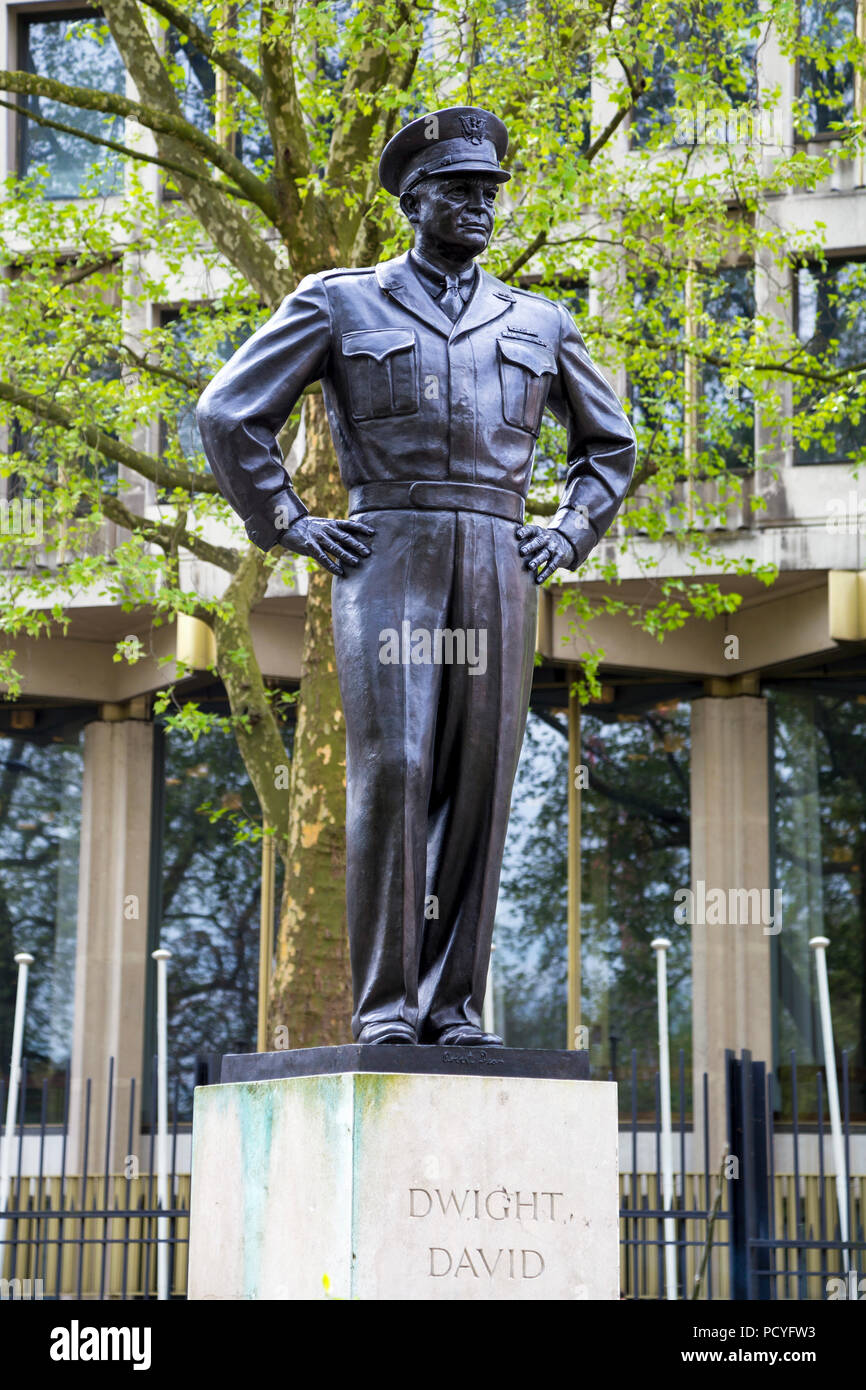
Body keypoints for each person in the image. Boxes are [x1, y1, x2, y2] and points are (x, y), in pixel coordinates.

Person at [197, 106, 636, 1046]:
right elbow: (229, 413)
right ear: (413, 200)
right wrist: (290, 522)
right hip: (387, 550)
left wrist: (569, 532)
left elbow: (611, 445)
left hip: (499, 554)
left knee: (481, 774)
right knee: (396, 768)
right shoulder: (339, 299)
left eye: (490, 194)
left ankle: (455, 1009)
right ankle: (388, 1009)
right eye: (461, 191)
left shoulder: (538, 320)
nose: (481, 207)